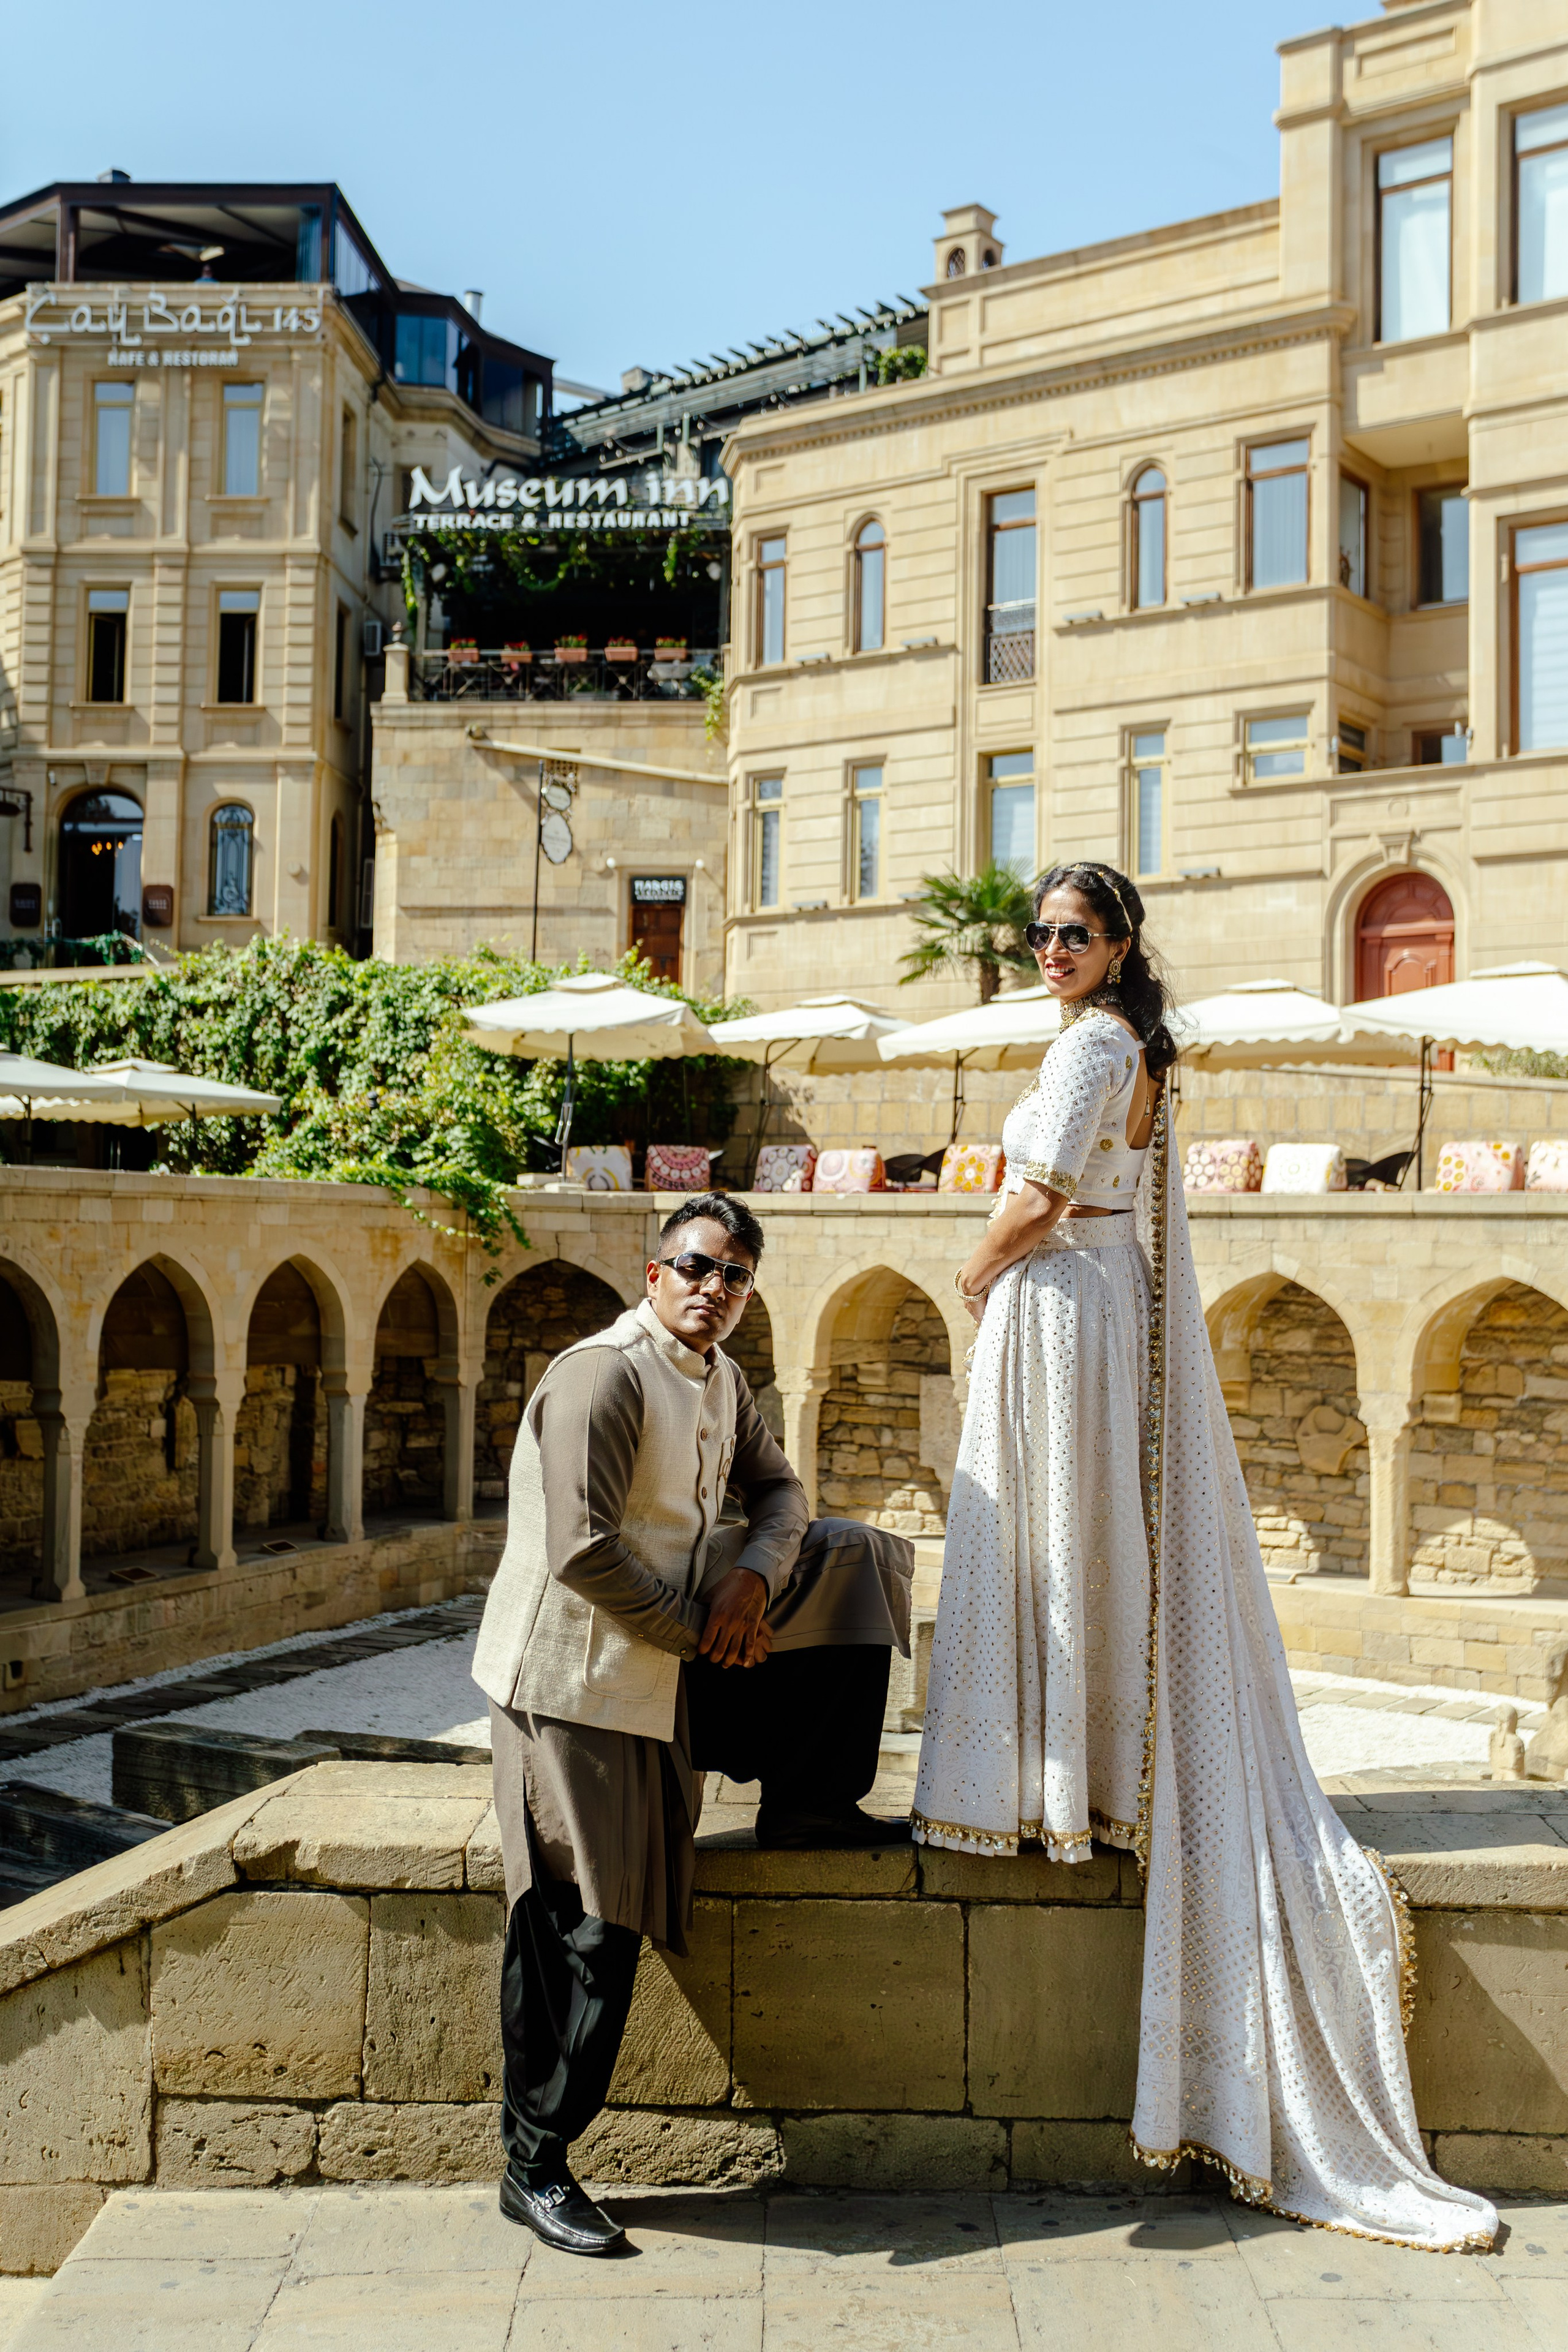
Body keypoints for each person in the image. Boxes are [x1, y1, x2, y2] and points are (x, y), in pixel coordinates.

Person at [913, 861, 1496, 2254]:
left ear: (1119, 944)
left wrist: (974, 1270)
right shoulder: (1137, 1046)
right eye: (1040, 932)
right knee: (1079, 1544)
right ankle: (1082, 1770)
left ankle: (1048, 1779)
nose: (1051, 948)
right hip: (1099, 1297)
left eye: (1075, 932)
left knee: (1044, 1544)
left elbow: (1042, 1192)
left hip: (1061, 1293)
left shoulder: (1091, 1046)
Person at [473, 1192, 912, 2256]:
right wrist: (702, 1633)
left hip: (672, 1660)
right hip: (579, 1684)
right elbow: (581, 1549)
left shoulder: (720, 1379)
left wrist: (752, 1581)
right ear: (656, 1273)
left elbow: (783, 1494)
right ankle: (534, 2163)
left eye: (735, 1276)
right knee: (592, 1915)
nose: (715, 1288)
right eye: (698, 1267)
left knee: (852, 1556)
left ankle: (811, 1802)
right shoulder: (605, 1376)